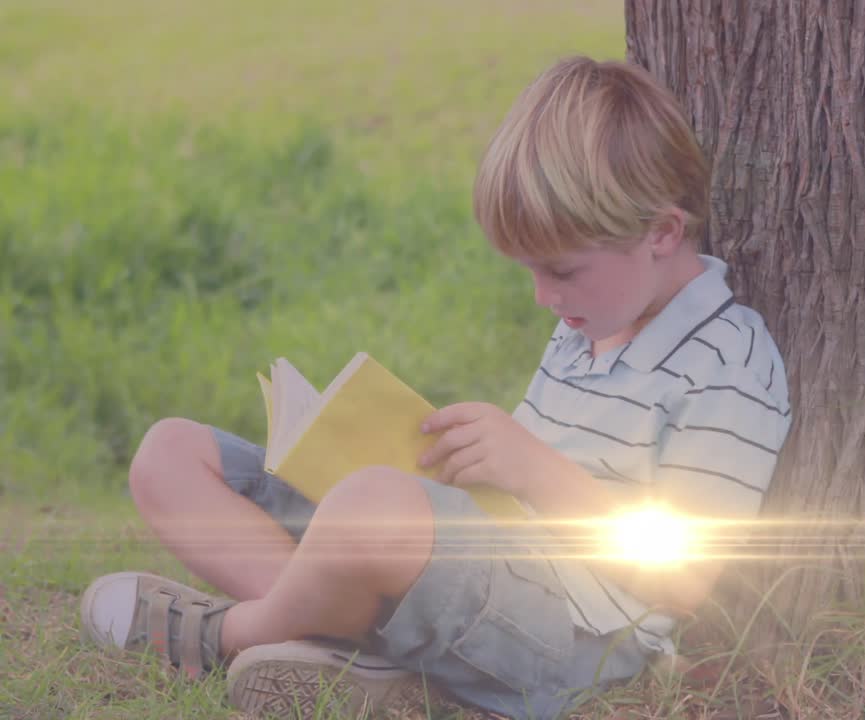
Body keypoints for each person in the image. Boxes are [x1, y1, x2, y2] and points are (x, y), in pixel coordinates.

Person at [80, 55, 792, 720]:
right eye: (529, 271)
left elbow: (685, 579)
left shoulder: (727, 362)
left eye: (562, 271)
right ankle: (345, 647)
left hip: (577, 639)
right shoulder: (590, 321)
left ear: (662, 232)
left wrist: (534, 470)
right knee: (171, 454)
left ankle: (229, 634)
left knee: (373, 504)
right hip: (485, 570)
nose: (543, 297)